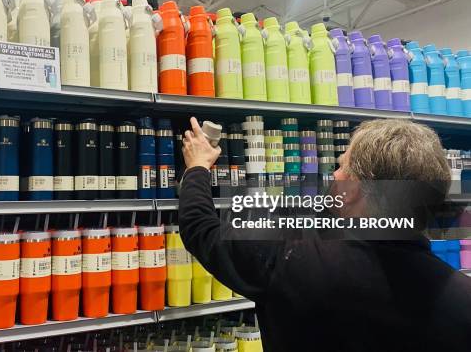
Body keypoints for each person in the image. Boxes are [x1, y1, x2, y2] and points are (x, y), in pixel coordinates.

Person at [179, 117, 471, 352]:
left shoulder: (289, 256)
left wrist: (197, 168)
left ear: (355, 189)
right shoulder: (461, 298)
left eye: (342, 166)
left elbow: (201, 229)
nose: (334, 175)